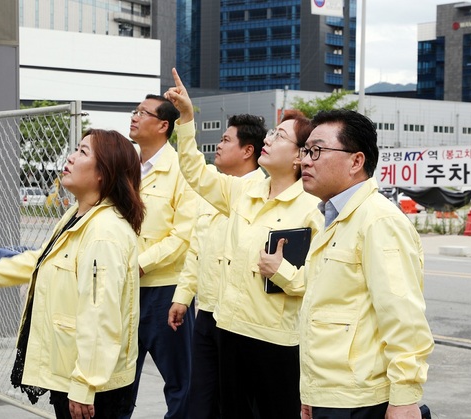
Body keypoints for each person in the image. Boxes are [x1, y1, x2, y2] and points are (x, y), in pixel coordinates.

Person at [0, 129, 145, 419]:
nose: (70, 157)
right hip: (72, 370)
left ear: (104, 172)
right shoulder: (78, 215)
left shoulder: (104, 233)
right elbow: (41, 259)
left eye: (82, 152)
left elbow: (100, 315)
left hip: (93, 387)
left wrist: (83, 384)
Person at [165, 68, 323, 419]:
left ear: (300, 156)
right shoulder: (243, 191)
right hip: (229, 330)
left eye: (279, 136)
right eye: (271, 133)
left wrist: (281, 271)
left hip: (276, 340)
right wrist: (187, 118)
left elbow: (322, 282)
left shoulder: (313, 208)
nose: (268, 139)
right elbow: (194, 171)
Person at [298, 109, 434, 419]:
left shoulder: (378, 221)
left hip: (359, 400)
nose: (305, 160)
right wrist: (311, 391)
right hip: (331, 394)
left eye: (317, 150)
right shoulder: (334, 219)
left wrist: (404, 398)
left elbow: (404, 318)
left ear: (356, 161)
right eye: (305, 150)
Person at [168, 114, 267, 419]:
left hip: (240, 317)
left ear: (247, 150)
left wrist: (186, 119)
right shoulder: (213, 194)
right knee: (202, 397)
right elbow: (197, 248)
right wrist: (183, 296)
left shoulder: (262, 195)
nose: (219, 146)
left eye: (226, 140)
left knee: (235, 401)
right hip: (208, 311)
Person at [121, 94, 197, 419]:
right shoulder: (124, 169)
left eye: (142, 112)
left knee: (181, 383)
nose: (134, 117)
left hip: (165, 293)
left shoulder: (183, 170)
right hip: (123, 291)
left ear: (164, 125)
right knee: (119, 379)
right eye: (134, 111)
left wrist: (141, 264)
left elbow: (183, 236)